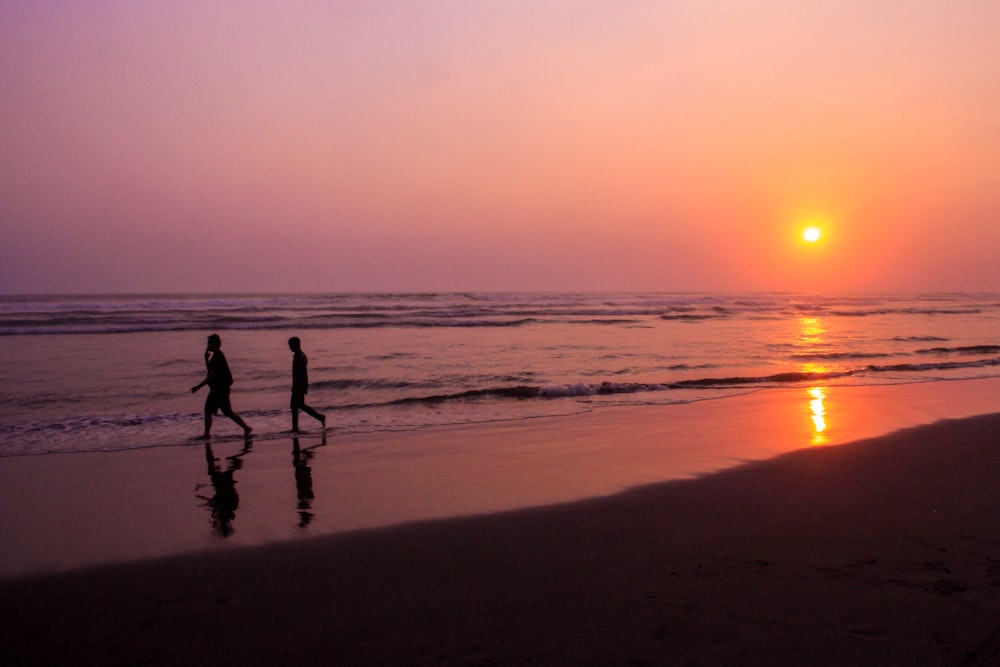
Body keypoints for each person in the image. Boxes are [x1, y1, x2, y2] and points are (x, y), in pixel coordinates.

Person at [191, 334, 252, 438]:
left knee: (227, 412)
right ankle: (207, 435)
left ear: (213, 344)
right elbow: (211, 370)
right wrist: (206, 359)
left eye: (209, 343)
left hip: (221, 389)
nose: (207, 345)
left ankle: (246, 428)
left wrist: (199, 386)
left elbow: (212, 375)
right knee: (208, 410)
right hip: (216, 389)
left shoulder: (218, 356)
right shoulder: (216, 356)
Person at [288, 336, 326, 432]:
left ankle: (295, 428)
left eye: (290, 345)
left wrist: (296, 386)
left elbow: (299, 374)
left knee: (294, 406)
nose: (289, 347)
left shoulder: (299, 357)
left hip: (299, 385)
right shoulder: (300, 355)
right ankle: (320, 417)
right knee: (299, 405)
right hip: (301, 385)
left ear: (295, 345)